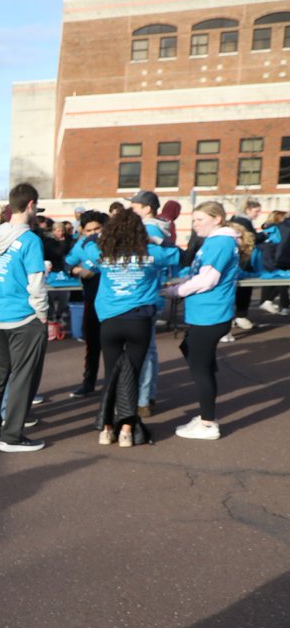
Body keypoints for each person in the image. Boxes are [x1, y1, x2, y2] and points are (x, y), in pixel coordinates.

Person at [82, 210, 182, 447]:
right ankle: (127, 430)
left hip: (110, 320)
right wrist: (155, 239)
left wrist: (105, 237)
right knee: (133, 375)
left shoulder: (101, 252)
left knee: (111, 375)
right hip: (139, 321)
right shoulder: (152, 252)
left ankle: (106, 429)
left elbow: (86, 242)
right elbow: (178, 253)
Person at [0, 182, 48, 452]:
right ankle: (12, 437)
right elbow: (36, 282)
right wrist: (42, 314)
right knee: (22, 377)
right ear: (30, 204)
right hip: (23, 317)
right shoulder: (30, 240)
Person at [169, 201, 240, 441]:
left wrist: (176, 292)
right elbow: (198, 273)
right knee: (194, 354)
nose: (195, 224)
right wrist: (178, 284)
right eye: (194, 220)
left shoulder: (220, 242)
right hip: (204, 313)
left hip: (211, 315)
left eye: (200, 219)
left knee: (201, 369)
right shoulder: (213, 242)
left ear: (217, 218)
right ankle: (205, 416)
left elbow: (207, 279)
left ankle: (208, 423)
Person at [128, 190, 168, 418]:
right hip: (149, 294)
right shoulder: (153, 227)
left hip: (145, 294)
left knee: (144, 351)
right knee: (148, 350)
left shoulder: (149, 229)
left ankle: (143, 399)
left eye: (135, 206)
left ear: (147, 208)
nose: (131, 210)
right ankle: (146, 396)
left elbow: (149, 261)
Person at [64, 210, 108, 397]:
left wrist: (92, 268)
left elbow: (102, 264)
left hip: (112, 302)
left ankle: (111, 386)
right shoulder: (81, 244)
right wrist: (76, 270)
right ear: (82, 230)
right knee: (92, 344)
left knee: (111, 345)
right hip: (91, 299)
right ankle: (88, 383)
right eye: (88, 230)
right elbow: (66, 263)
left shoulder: (112, 243)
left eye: (97, 228)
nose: (93, 233)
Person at [228, 199, 262, 331]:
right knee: (242, 288)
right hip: (243, 260)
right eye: (256, 211)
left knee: (239, 288)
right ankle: (239, 316)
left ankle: (238, 316)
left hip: (242, 259)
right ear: (247, 209)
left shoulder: (238, 220)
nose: (258, 213)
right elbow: (249, 238)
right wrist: (263, 236)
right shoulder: (242, 222)